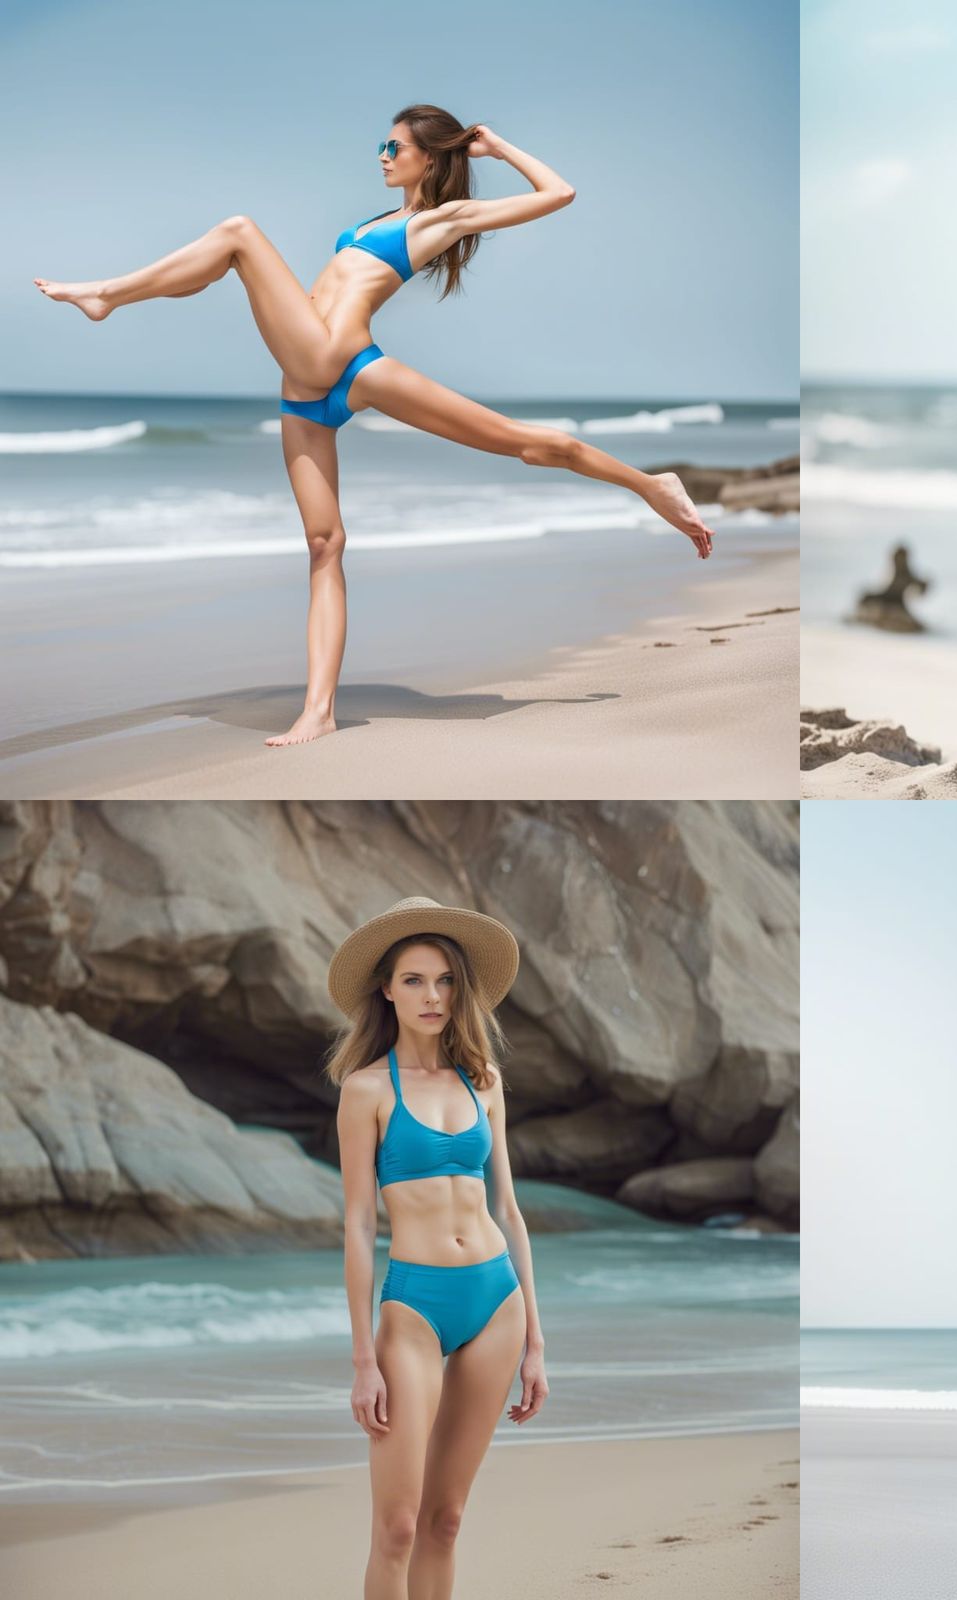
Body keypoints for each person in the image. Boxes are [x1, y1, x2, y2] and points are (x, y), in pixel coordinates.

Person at [33, 104, 716, 746]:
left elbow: (559, 193)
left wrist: (496, 145)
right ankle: (319, 712)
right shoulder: (376, 219)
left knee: (239, 233)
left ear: (428, 159)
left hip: (341, 358)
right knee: (325, 545)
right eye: (383, 144)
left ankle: (105, 295)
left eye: (396, 147)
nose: (383, 154)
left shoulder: (439, 221)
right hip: (307, 390)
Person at [325, 895, 547, 1598]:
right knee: (396, 1525)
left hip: (496, 1301)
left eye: (445, 980)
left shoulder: (484, 1081)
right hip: (414, 1308)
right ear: (386, 989)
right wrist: (363, 1358)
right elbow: (360, 1224)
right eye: (415, 980)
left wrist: (536, 1341)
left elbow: (508, 1209)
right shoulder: (364, 1090)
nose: (432, 996)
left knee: (445, 1520)